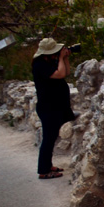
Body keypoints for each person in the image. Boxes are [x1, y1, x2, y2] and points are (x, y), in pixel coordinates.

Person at [32, 38, 76, 180]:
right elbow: (60, 74)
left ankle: (48, 165)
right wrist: (61, 58)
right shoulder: (39, 65)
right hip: (48, 108)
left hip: (55, 107)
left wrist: (65, 59)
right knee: (48, 140)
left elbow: (66, 72)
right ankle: (44, 171)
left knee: (51, 138)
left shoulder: (48, 62)